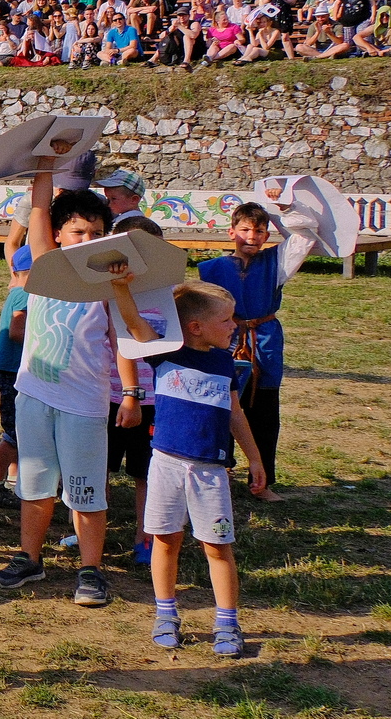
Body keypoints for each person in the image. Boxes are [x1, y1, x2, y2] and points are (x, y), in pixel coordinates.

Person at [0, 161, 139, 608]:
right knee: (35, 486)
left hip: (85, 403)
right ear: (58, 236)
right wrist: (45, 167)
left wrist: (130, 394)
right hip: (35, 396)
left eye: (95, 235)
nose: (86, 242)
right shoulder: (44, 270)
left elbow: (124, 343)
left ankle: (90, 570)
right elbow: (39, 211)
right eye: (77, 233)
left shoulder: (111, 286)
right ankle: (28, 558)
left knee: (86, 490)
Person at [146, 281, 269, 657]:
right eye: (226, 320)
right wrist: (120, 287)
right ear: (196, 326)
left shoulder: (224, 362)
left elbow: (235, 413)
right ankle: (166, 615)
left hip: (211, 472)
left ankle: (227, 622)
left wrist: (255, 457)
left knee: (218, 547)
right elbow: (134, 325)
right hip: (165, 466)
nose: (234, 326)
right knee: (166, 540)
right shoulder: (166, 352)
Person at [197, 201, 316, 501]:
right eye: (245, 229)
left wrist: (284, 206)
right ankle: (219, 471)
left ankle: (262, 482)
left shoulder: (277, 263)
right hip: (225, 341)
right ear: (231, 232)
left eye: (259, 230)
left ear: (267, 235)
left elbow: (305, 235)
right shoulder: (210, 268)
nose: (252, 236)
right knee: (220, 406)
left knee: (263, 412)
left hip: (263, 343)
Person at [0, 246, 32, 509]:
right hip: (14, 374)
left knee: (16, 431)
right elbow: (16, 330)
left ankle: (13, 481)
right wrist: (42, 341)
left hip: (8, 372)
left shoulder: (16, 291)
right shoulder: (26, 294)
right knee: (14, 433)